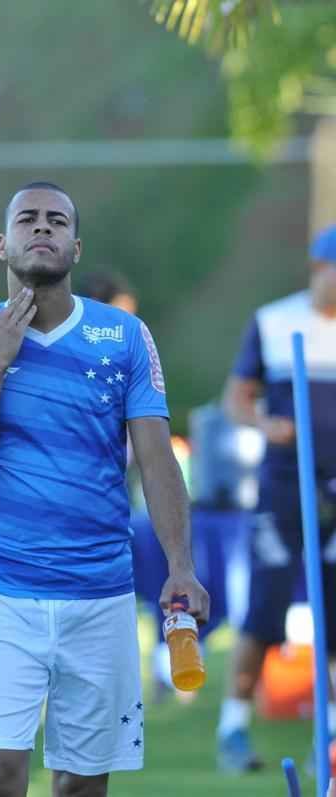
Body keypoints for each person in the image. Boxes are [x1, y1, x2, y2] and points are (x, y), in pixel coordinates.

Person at [0, 181, 209, 797]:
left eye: (57, 220)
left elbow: (158, 463)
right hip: (4, 593)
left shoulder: (125, 337)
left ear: (76, 248)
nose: (42, 228)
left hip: (100, 596)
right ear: (3, 244)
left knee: (81, 786)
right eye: (27, 219)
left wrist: (180, 566)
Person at [215, 224, 336, 773]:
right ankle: (234, 730)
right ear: (319, 268)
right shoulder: (275, 321)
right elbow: (237, 399)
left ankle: (327, 741)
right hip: (285, 485)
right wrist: (266, 424)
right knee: (266, 605)